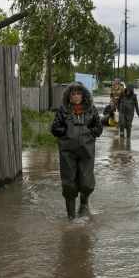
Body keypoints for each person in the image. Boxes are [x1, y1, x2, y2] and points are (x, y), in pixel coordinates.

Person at [51, 82, 103, 219]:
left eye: (78, 94)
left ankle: (84, 207)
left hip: (86, 152)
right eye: (73, 94)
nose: (76, 97)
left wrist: (87, 131)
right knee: (69, 185)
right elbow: (55, 129)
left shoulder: (91, 110)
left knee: (86, 183)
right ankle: (71, 219)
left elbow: (99, 129)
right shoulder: (63, 110)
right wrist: (67, 131)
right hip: (67, 153)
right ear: (69, 96)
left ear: (83, 95)